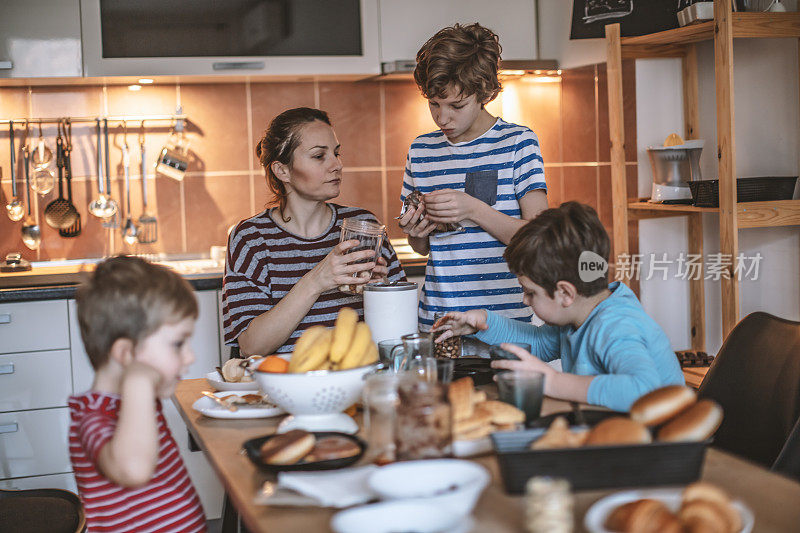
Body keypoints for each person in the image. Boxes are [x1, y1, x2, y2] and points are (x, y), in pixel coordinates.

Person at [434, 202, 685, 412]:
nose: (525, 300)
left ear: (565, 293)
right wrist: (482, 323)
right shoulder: (580, 316)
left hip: (661, 447)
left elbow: (644, 390)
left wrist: (553, 382)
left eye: (530, 292)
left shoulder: (616, 326)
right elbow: (541, 344)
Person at [398, 23, 549, 330]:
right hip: (438, 322)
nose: (443, 118)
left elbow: (539, 240)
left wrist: (472, 209)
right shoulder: (421, 150)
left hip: (505, 325)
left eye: (456, 105)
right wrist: (415, 232)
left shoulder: (518, 143)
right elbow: (422, 248)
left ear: (485, 93)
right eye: (434, 104)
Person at [223, 107, 405, 356]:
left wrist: (381, 291)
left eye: (336, 153)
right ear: (282, 171)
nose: (337, 165)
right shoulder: (251, 238)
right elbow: (251, 346)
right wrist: (317, 280)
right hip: (283, 388)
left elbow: (402, 333)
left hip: (360, 382)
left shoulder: (363, 225)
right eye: (319, 156)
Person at [68, 256, 206, 532]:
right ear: (127, 354)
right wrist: (138, 380)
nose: (190, 356)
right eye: (178, 344)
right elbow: (134, 470)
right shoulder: (93, 419)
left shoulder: (138, 404)